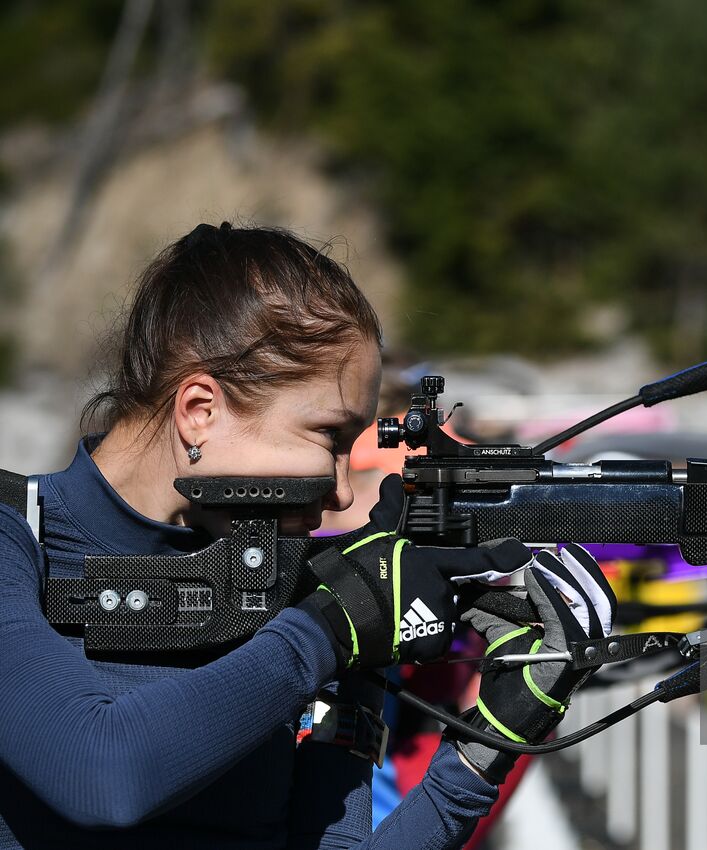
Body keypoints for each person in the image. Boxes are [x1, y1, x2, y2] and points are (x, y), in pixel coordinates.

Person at [0, 222, 614, 849]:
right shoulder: (12, 538)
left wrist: (485, 749)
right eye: (330, 439)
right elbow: (101, 772)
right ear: (200, 413)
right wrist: (334, 625)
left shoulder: (292, 586)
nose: (342, 492)